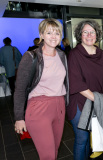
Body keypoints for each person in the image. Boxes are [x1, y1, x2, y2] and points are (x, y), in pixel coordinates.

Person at [14, 18, 69, 160]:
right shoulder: (31, 56)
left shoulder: (62, 55)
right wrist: (19, 118)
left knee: (54, 151)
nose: (53, 36)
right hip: (39, 107)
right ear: (41, 35)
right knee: (48, 155)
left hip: (59, 106)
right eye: (49, 32)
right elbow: (19, 89)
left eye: (57, 33)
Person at [67, 19, 103, 160]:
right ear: (80, 35)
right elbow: (76, 82)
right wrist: (99, 100)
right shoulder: (74, 54)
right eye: (85, 32)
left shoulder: (101, 53)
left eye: (92, 32)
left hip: (97, 101)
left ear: (97, 34)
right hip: (80, 102)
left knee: (94, 138)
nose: (89, 35)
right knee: (82, 139)